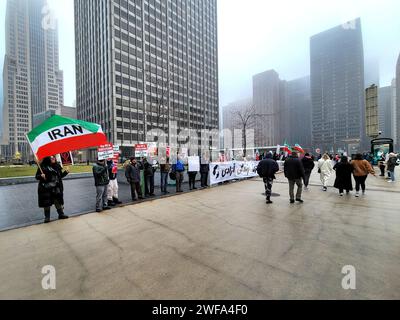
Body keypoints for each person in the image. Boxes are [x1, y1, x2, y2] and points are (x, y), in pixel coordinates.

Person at [35, 156, 69, 223]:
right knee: (47, 203)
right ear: (47, 159)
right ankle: (47, 217)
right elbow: (36, 176)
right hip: (46, 188)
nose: (53, 158)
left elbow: (60, 176)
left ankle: (61, 214)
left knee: (57, 201)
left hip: (55, 187)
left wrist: (66, 172)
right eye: (51, 158)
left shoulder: (57, 166)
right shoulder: (43, 166)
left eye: (54, 157)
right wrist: (41, 176)